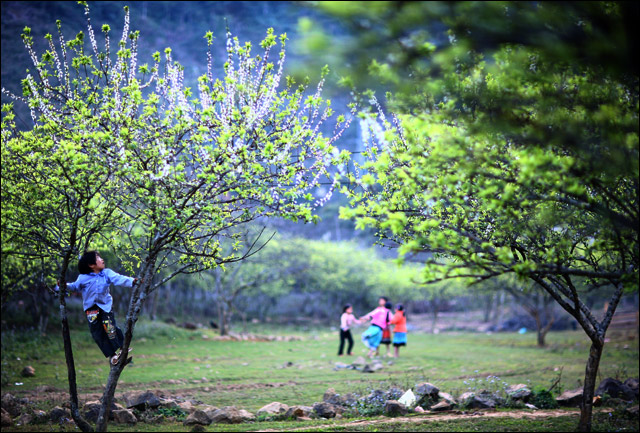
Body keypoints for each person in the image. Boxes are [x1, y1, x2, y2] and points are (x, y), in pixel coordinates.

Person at [56, 251, 137, 366]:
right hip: (91, 309)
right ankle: (112, 355)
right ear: (91, 265)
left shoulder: (106, 273)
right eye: (98, 258)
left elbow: (118, 278)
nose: (102, 259)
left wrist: (132, 281)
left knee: (108, 325)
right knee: (97, 333)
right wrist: (64, 285)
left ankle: (123, 346)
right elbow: (74, 286)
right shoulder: (83, 278)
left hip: (105, 307)